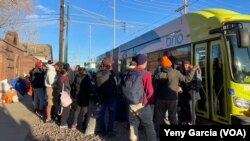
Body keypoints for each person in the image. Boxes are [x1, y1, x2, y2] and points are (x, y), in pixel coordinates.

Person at [154, 56, 198, 136]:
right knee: (173, 117)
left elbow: (155, 88)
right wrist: (192, 70)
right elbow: (187, 79)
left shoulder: (158, 75)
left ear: (163, 65)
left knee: (159, 118)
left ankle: (158, 134)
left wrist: (160, 93)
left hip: (161, 99)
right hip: (172, 99)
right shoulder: (176, 73)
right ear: (170, 64)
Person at [124, 54, 157, 141]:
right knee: (149, 125)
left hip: (131, 103)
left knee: (133, 125)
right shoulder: (146, 74)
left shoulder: (129, 72)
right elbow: (150, 92)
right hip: (142, 104)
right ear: (144, 62)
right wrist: (149, 103)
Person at [95, 57, 118, 136]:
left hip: (101, 97)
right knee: (111, 114)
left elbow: (96, 86)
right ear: (109, 65)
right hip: (111, 97)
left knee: (101, 114)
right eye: (111, 63)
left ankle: (102, 131)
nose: (112, 65)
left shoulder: (97, 73)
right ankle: (110, 131)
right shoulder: (111, 73)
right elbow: (116, 84)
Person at [179, 60, 201, 125]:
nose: (185, 67)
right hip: (191, 94)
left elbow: (188, 80)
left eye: (186, 65)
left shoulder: (192, 71)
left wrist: (193, 69)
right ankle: (193, 120)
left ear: (189, 65)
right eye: (184, 65)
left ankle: (193, 122)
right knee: (192, 108)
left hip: (194, 93)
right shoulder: (188, 71)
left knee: (192, 108)